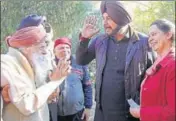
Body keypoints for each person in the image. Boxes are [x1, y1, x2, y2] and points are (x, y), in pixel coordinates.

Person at [76, 1, 155, 121]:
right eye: (104, 18)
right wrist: (84, 39)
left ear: (121, 17)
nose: (105, 23)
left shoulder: (144, 42)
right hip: (102, 112)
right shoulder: (100, 41)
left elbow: (154, 77)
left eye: (109, 18)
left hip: (130, 114)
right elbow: (81, 60)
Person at [1, 26, 71, 121]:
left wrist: (49, 94)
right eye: (42, 46)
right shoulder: (7, 63)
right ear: (27, 48)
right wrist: (55, 81)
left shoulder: (32, 64)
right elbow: (27, 105)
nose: (46, 51)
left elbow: (36, 95)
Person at [130, 19, 175, 121]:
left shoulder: (173, 65)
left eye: (154, 34)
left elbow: (173, 112)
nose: (150, 39)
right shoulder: (156, 62)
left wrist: (141, 112)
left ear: (168, 35)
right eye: (149, 36)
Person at [49, 37, 93, 121]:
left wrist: (88, 107)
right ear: (54, 51)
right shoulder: (49, 65)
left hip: (77, 112)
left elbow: (87, 85)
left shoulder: (80, 62)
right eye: (61, 48)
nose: (65, 50)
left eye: (67, 47)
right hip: (56, 113)